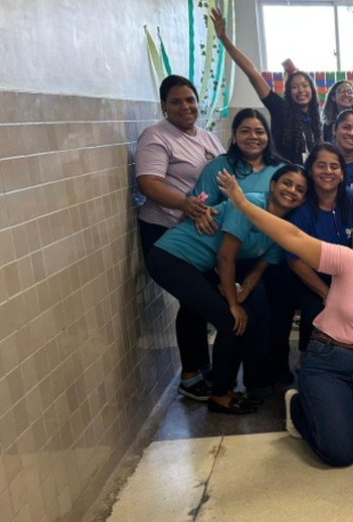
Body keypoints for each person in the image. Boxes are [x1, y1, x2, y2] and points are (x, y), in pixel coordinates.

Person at [216, 170, 353, 467]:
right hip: (327, 360)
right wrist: (241, 203)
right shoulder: (352, 262)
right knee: (340, 454)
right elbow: (294, 237)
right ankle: (301, 406)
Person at [146, 165, 308, 413]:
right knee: (231, 322)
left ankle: (224, 388)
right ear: (273, 185)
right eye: (287, 183)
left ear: (304, 199)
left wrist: (241, 295)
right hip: (171, 257)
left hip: (197, 266)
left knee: (246, 322)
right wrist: (233, 305)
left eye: (300, 189)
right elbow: (225, 257)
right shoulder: (250, 204)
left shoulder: (280, 227)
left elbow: (260, 267)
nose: (292, 190)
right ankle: (220, 395)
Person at [136, 74, 225, 401]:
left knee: (196, 301)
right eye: (176, 101)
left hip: (199, 235)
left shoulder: (207, 137)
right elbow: (149, 182)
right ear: (164, 105)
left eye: (190, 100)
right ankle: (190, 375)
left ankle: (200, 367)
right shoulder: (156, 137)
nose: (185, 107)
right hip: (166, 233)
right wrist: (185, 204)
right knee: (196, 299)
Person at [264, 144, 353, 383]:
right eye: (321, 165)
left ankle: (318, 360)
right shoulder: (301, 210)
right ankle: (289, 365)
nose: (328, 171)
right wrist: (326, 292)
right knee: (311, 306)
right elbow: (296, 262)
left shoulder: (350, 201)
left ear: (342, 173)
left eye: (334, 166)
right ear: (311, 170)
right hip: (294, 276)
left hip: (333, 276)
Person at [212, 8, 321, 163]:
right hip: (284, 178)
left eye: (305, 85)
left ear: (312, 89)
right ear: (288, 92)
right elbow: (252, 73)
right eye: (294, 87)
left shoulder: (315, 119)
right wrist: (224, 39)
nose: (301, 90)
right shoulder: (281, 108)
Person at [189, 108, 286, 232]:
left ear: (268, 136)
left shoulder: (282, 171)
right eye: (245, 131)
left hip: (268, 240)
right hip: (221, 238)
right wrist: (200, 214)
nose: (253, 137)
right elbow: (200, 206)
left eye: (260, 132)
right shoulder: (219, 167)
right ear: (234, 135)